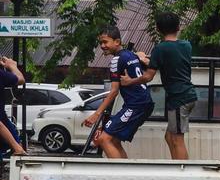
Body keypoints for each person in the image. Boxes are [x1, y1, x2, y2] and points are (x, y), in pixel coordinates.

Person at [82, 26, 155, 159]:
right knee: (114, 141)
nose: (102, 46)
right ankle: (127, 174)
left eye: (105, 42)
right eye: (100, 43)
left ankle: (120, 176)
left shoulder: (116, 60)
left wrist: (96, 114)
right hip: (143, 102)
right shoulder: (130, 54)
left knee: (104, 139)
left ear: (117, 41)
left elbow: (114, 91)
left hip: (136, 105)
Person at [134, 12, 197, 160]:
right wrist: (147, 60)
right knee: (169, 137)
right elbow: (169, 62)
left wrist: (129, 81)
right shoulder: (186, 45)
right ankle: (176, 167)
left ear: (157, 29)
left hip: (178, 99)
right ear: (179, 27)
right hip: (187, 95)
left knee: (177, 140)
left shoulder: (160, 49)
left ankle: (183, 173)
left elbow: (148, 77)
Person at [0, 54, 28, 158]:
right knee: (17, 147)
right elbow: (20, 79)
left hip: (3, 122)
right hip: (2, 122)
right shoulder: (1, 75)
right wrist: (12, 66)